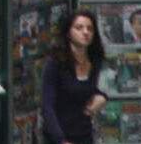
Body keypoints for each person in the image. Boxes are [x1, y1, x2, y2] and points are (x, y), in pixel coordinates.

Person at [42, 11, 108, 144]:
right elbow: (47, 105)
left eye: (90, 28)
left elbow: (90, 90)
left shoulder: (95, 61)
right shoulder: (56, 63)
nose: (85, 32)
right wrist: (60, 140)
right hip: (60, 136)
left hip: (85, 134)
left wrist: (103, 97)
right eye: (79, 28)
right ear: (68, 33)